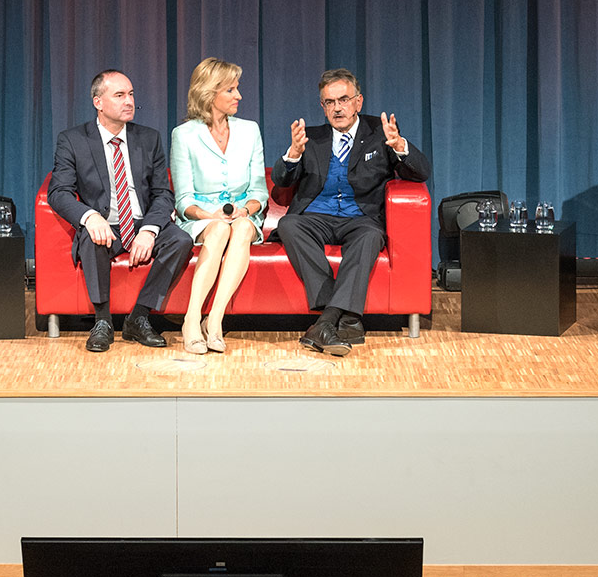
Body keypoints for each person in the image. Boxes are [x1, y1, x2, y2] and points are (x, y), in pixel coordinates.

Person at [273, 68, 431, 356]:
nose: (337, 108)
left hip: (360, 218)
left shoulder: (378, 133)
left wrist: (399, 146)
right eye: (330, 102)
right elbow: (281, 183)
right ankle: (346, 317)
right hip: (315, 217)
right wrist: (293, 154)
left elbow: (422, 173)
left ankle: (325, 322)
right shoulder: (311, 137)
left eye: (343, 100)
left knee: (371, 236)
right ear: (322, 106)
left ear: (358, 101)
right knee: (289, 225)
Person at [48, 70, 194, 353]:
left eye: (131, 94)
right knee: (90, 237)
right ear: (98, 102)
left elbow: (163, 193)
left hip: (141, 221)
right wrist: (89, 216)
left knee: (181, 240)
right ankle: (102, 321)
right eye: (119, 95)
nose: (129, 101)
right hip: (105, 224)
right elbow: (58, 192)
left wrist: (150, 230)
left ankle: (139, 316)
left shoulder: (148, 138)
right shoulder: (73, 140)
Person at [170, 58, 269, 354]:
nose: (238, 96)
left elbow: (259, 191)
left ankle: (214, 320)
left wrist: (246, 210)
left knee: (238, 228)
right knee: (218, 231)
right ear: (210, 93)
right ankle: (191, 319)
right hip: (201, 217)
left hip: (242, 215)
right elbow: (184, 199)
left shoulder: (250, 130)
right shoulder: (183, 135)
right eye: (231, 89)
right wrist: (209, 215)